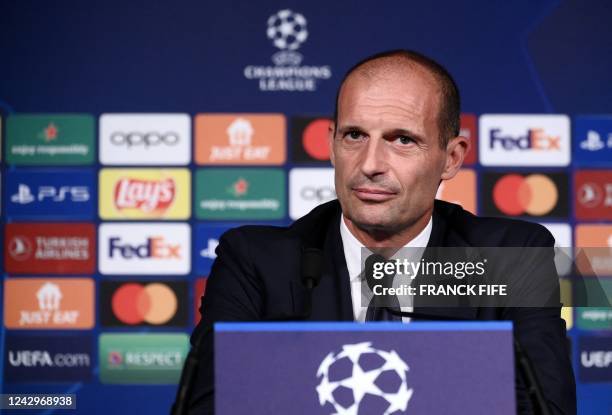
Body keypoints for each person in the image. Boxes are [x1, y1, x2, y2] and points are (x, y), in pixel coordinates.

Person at [187, 50, 576, 414]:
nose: (370, 164)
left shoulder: (513, 258)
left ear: (452, 157)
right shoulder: (255, 261)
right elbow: (212, 406)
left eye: (402, 140)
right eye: (354, 135)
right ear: (331, 144)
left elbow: (546, 408)